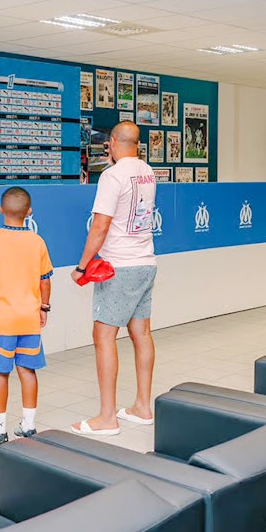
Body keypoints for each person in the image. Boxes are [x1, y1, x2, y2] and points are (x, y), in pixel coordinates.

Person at [70, 121, 156, 436]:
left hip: (119, 266)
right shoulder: (148, 172)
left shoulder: (112, 175)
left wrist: (82, 266)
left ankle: (107, 417)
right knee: (141, 333)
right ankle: (142, 407)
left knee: (103, 336)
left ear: (113, 143)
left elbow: (100, 226)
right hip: (146, 261)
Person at [0, 187, 53, 446]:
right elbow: (45, 280)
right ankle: (29, 425)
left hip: (2, 321)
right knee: (27, 370)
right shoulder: (37, 241)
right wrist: (44, 308)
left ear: (1, 209)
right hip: (29, 319)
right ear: (29, 212)